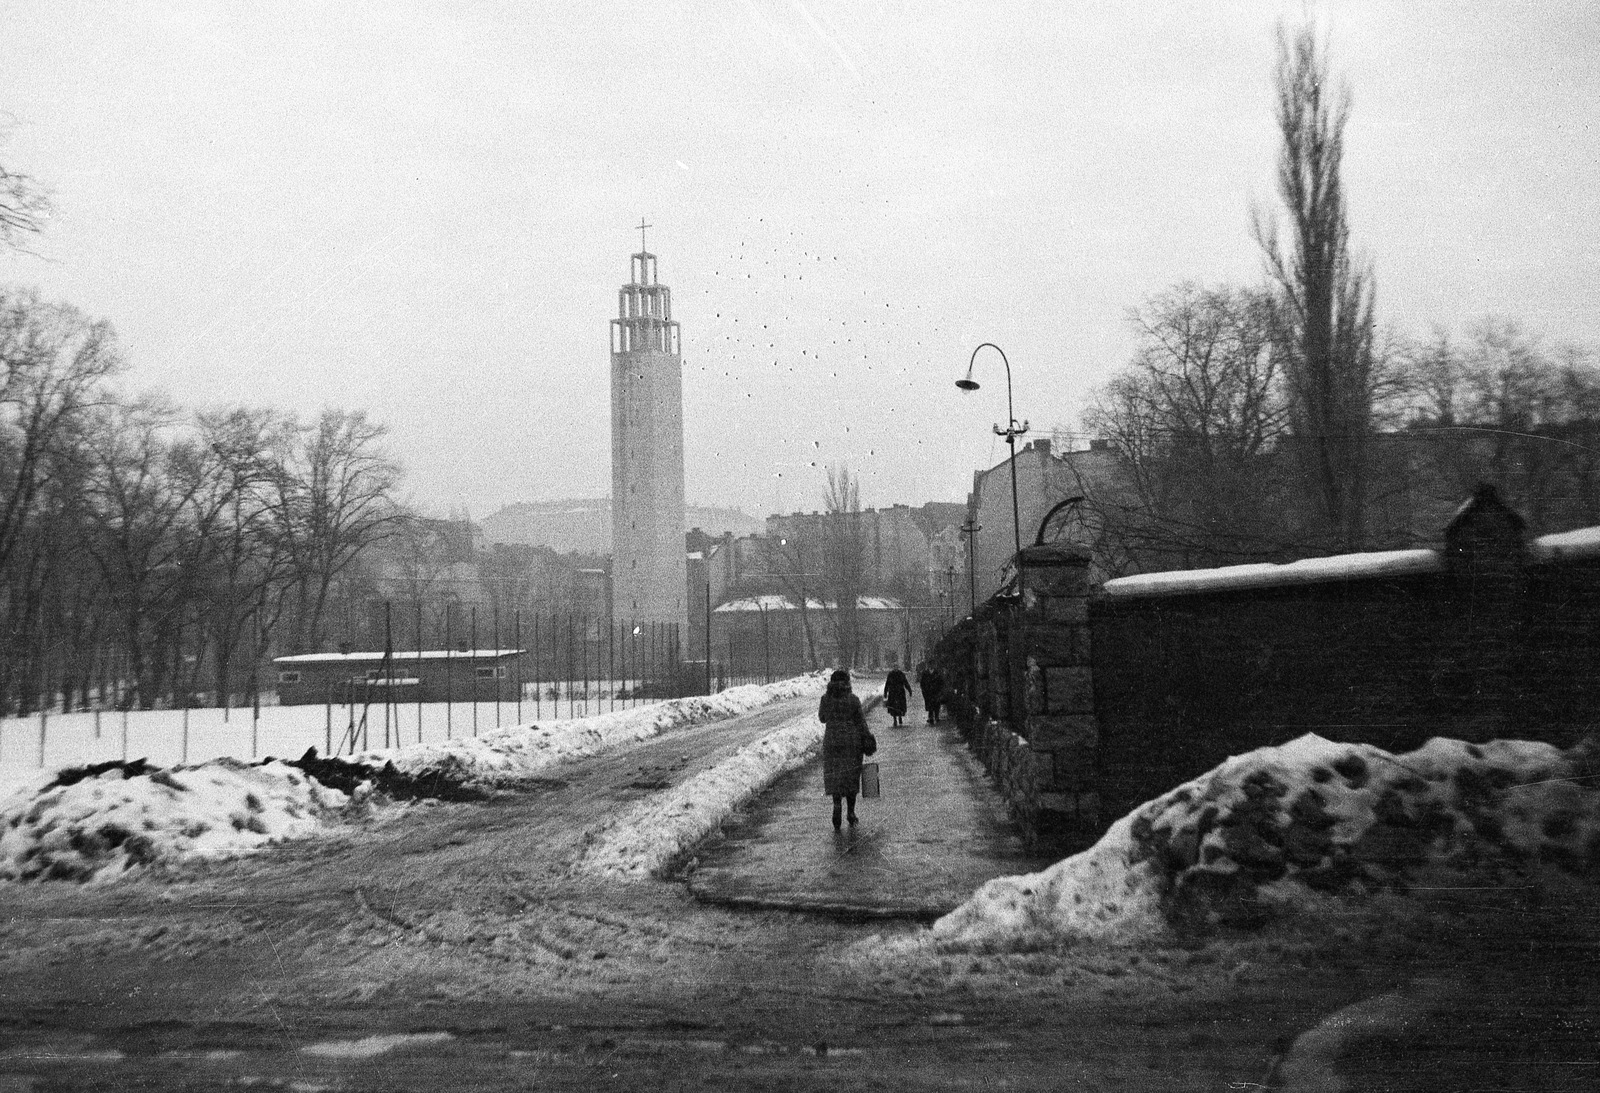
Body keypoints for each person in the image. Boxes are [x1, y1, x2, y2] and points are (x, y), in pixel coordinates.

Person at [819, 668, 868, 828]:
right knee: (851, 776)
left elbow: (822, 718)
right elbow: (860, 721)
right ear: (847, 682)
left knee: (835, 775)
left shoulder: (825, 699)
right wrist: (867, 738)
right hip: (851, 742)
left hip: (832, 741)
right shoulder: (853, 699)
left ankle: (837, 804)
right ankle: (851, 812)